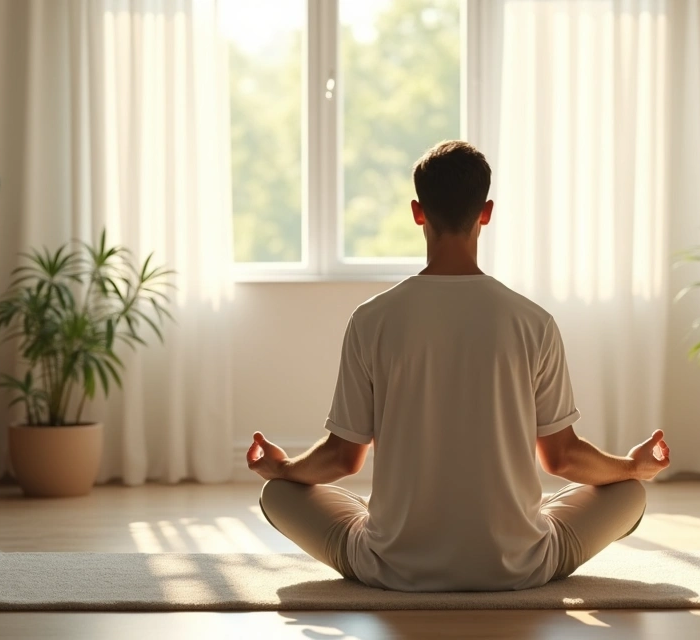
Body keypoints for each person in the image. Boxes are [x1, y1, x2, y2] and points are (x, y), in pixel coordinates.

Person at [247, 140, 671, 592]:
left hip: (392, 566)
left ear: (417, 211)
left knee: (278, 495)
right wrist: (631, 466)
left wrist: (284, 468)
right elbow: (561, 457)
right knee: (629, 493)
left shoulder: (372, 319)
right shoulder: (533, 321)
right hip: (519, 566)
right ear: (486, 212)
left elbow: (342, 458)